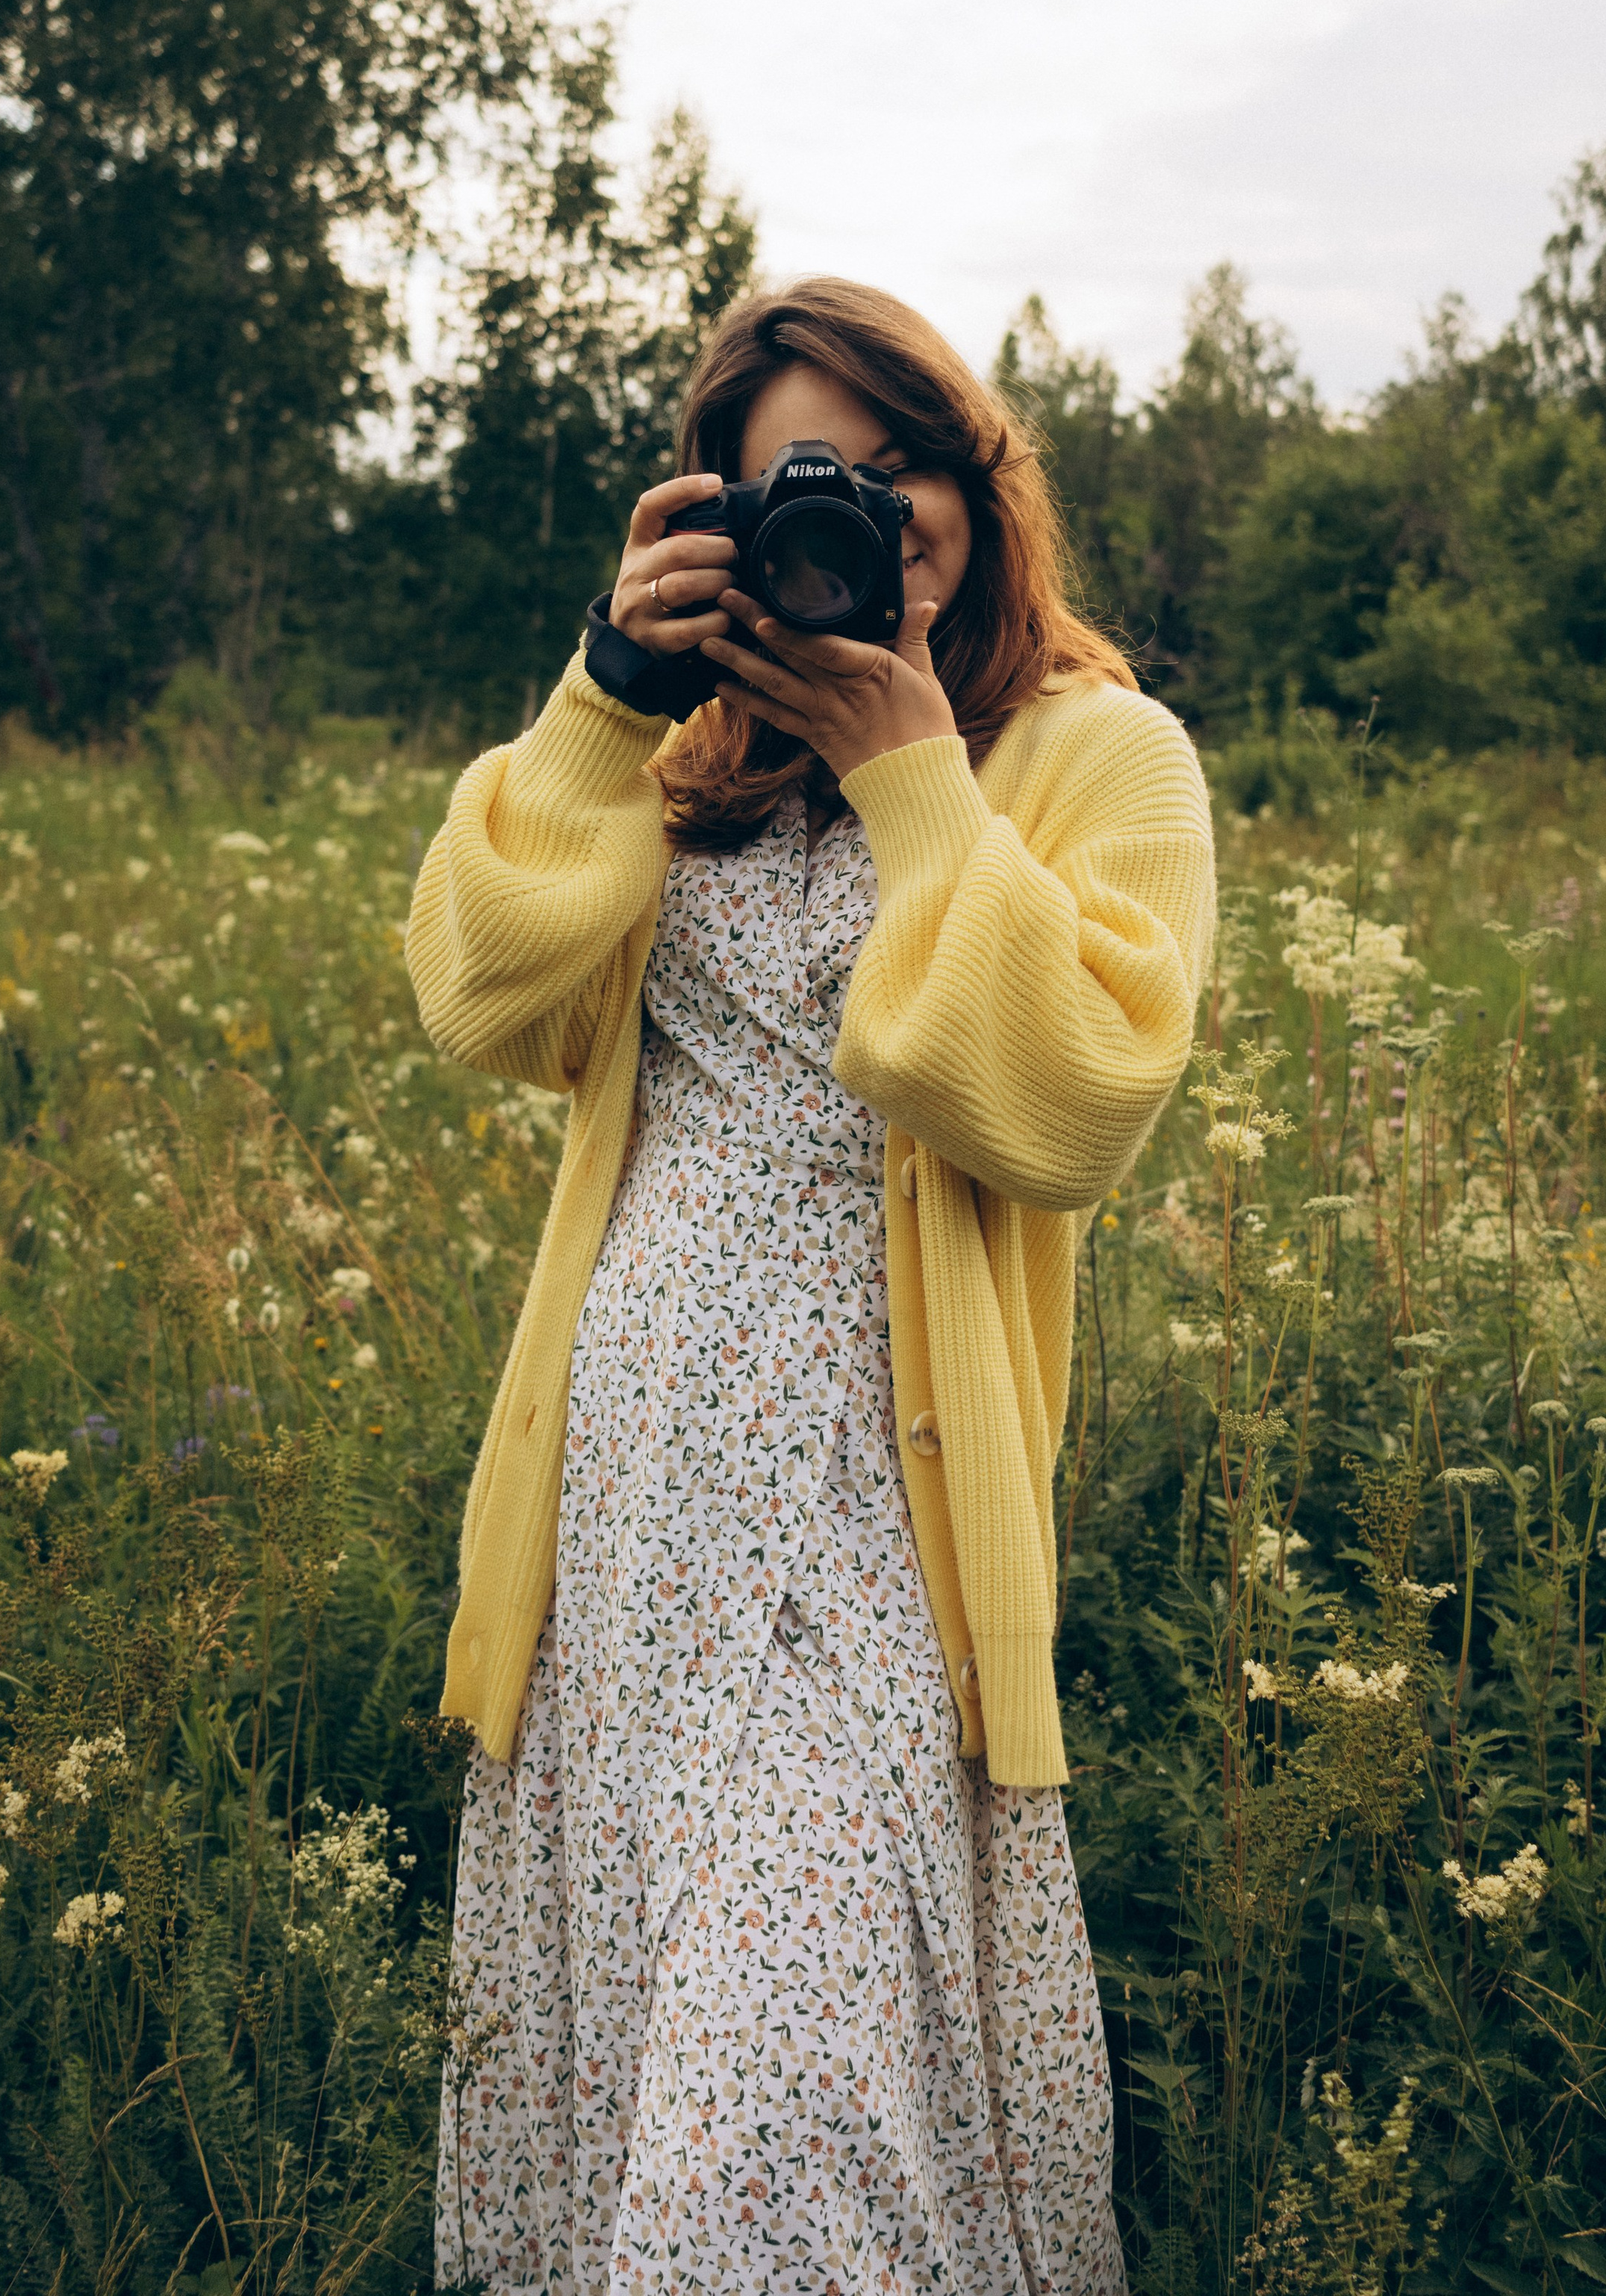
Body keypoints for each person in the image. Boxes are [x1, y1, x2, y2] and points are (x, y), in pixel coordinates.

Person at [407, 279, 1216, 2295]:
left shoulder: (1100, 755)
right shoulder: (683, 756)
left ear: (978, 484)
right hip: (626, 1518)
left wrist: (915, 767)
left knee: (763, 2129)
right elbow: (487, 1001)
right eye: (798, 478)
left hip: (876, 1523)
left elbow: (1068, 1104)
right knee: (667, 2060)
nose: (865, 508)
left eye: (900, 459)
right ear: (718, 517)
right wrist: (604, 693)